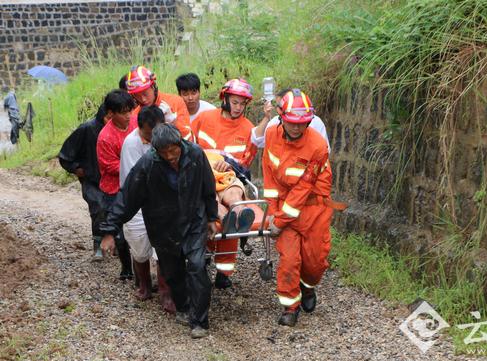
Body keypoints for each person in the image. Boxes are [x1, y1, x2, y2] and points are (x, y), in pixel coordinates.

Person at [100, 124, 219, 339]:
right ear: (156, 151)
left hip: (193, 219)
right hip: (162, 225)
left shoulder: (195, 155)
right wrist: (110, 230)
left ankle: (200, 321)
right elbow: (127, 198)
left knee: (197, 266)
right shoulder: (147, 165)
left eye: (174, 150)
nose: (170, 156)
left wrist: (211, 216)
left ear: (180, 143)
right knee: (172, 272)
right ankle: (183, 307)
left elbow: (207, 186)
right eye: (164, 153)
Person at [259, 89, 343, 327]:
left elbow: (304, 188)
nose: (297, 128)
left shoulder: (318, 146)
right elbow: (269, 177)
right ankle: (290, 307)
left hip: (312, 210)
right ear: (281, 116)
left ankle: (307, 287)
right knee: (289, 260)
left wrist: (281, 218)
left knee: (315, 263)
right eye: (292, 123)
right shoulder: (271, 135)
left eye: (302, 123)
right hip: (284, 211)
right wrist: (272, 213)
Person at [191, 78, 261, 288]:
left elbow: (245, 166)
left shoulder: (248, 128)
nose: (239, 108)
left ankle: (224, 272)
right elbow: (189, 148)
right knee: (211, 203)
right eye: (235, 102)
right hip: (204, 176)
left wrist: (229, 166)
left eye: (242, 104)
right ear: (225, 99)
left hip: (230, 177)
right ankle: (222, 217)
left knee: (234, 200)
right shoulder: (204, 119)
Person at [119, 106, 176, 313]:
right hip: (137, 204)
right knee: (140, 250)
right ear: (139, 129)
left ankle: (165, 293)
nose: (151, 139)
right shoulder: (131, 144)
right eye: (147, 135)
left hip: (163, 204)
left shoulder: (170, 138)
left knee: (163, 250)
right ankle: (144, 285)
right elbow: (134, 182)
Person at [59, 104, 108, 260]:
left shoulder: (121, 129)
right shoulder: (87, 129)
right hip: (92, 179)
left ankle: (118, 245)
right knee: (98, 208)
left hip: (113, 178)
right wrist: (75, 168)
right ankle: (98, 246)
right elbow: (65, 154)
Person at [96, 89, 137, 280]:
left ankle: (140, 265)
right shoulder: (105, 137)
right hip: (114, 189)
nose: (128, 115)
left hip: (136, 185)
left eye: (130, 110)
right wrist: (135, 165)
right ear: (111, 114)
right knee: (119, 232)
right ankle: (126, 267)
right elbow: (109, 165)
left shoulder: (136, 124)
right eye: (123, 112)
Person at [252, 88, 330, 153]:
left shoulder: (316, 123)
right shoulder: (275, 124)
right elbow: (257, 141)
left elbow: (324, 154)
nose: (296, 127)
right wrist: (266, 117)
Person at [125, 65, 192, 140]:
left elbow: (189, 139)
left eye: (145, 93)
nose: (143, 99)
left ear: (153, 86)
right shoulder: (135, 116)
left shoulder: (175, 102)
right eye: (137, 96)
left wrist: (173, 122)